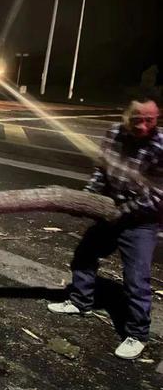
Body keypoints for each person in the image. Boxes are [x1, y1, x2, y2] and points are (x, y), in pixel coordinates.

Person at [48, 92, 162, 359]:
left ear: (156, 118)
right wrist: (87, 198)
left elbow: (157, 195)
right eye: (137, 120)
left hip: (140, 220)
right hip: (110, 208)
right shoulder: (113, 133)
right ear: (126, 116)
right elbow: (101, 170)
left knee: (136, 277)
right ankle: (80, 301)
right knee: (85, 256)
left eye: (149, 120)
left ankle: (137, 334)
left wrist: (121, 213)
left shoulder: (161, 146)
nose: (143, 126)